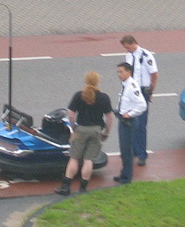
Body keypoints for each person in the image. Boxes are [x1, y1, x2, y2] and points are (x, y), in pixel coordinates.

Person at [54, 71, 113, 195]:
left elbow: (70, 114)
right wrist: (106, 133)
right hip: (96, 130)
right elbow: (109, 118)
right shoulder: (104, 97)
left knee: (74, 158)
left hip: (81, 130)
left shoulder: (79, 95)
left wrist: (73, 127)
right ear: (98, 82)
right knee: (88, 160)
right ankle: (83, 188)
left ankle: (66, 187)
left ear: (86, 81)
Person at [120, 35, 159, 166]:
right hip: (131, 89)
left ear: (133, 43)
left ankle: (142, 154)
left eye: (128, 47)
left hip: (142, 91)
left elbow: (154, 74)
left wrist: (151, 91)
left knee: (141, 124)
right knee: (130, 122)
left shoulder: (146, 55)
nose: (127, 50)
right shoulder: (128, 55)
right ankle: (134, 151)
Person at [114, 62, 147, 184]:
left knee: (127, 151)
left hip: (128, 122)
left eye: (121, 72)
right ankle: (124, 173)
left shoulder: (132, 86)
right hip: (123, 120)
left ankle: (126, 178)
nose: (119, 74)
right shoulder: (126, 85)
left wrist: (130, 114)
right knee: (124, 150)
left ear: (129, 72)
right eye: (118, 72)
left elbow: (142, 105)